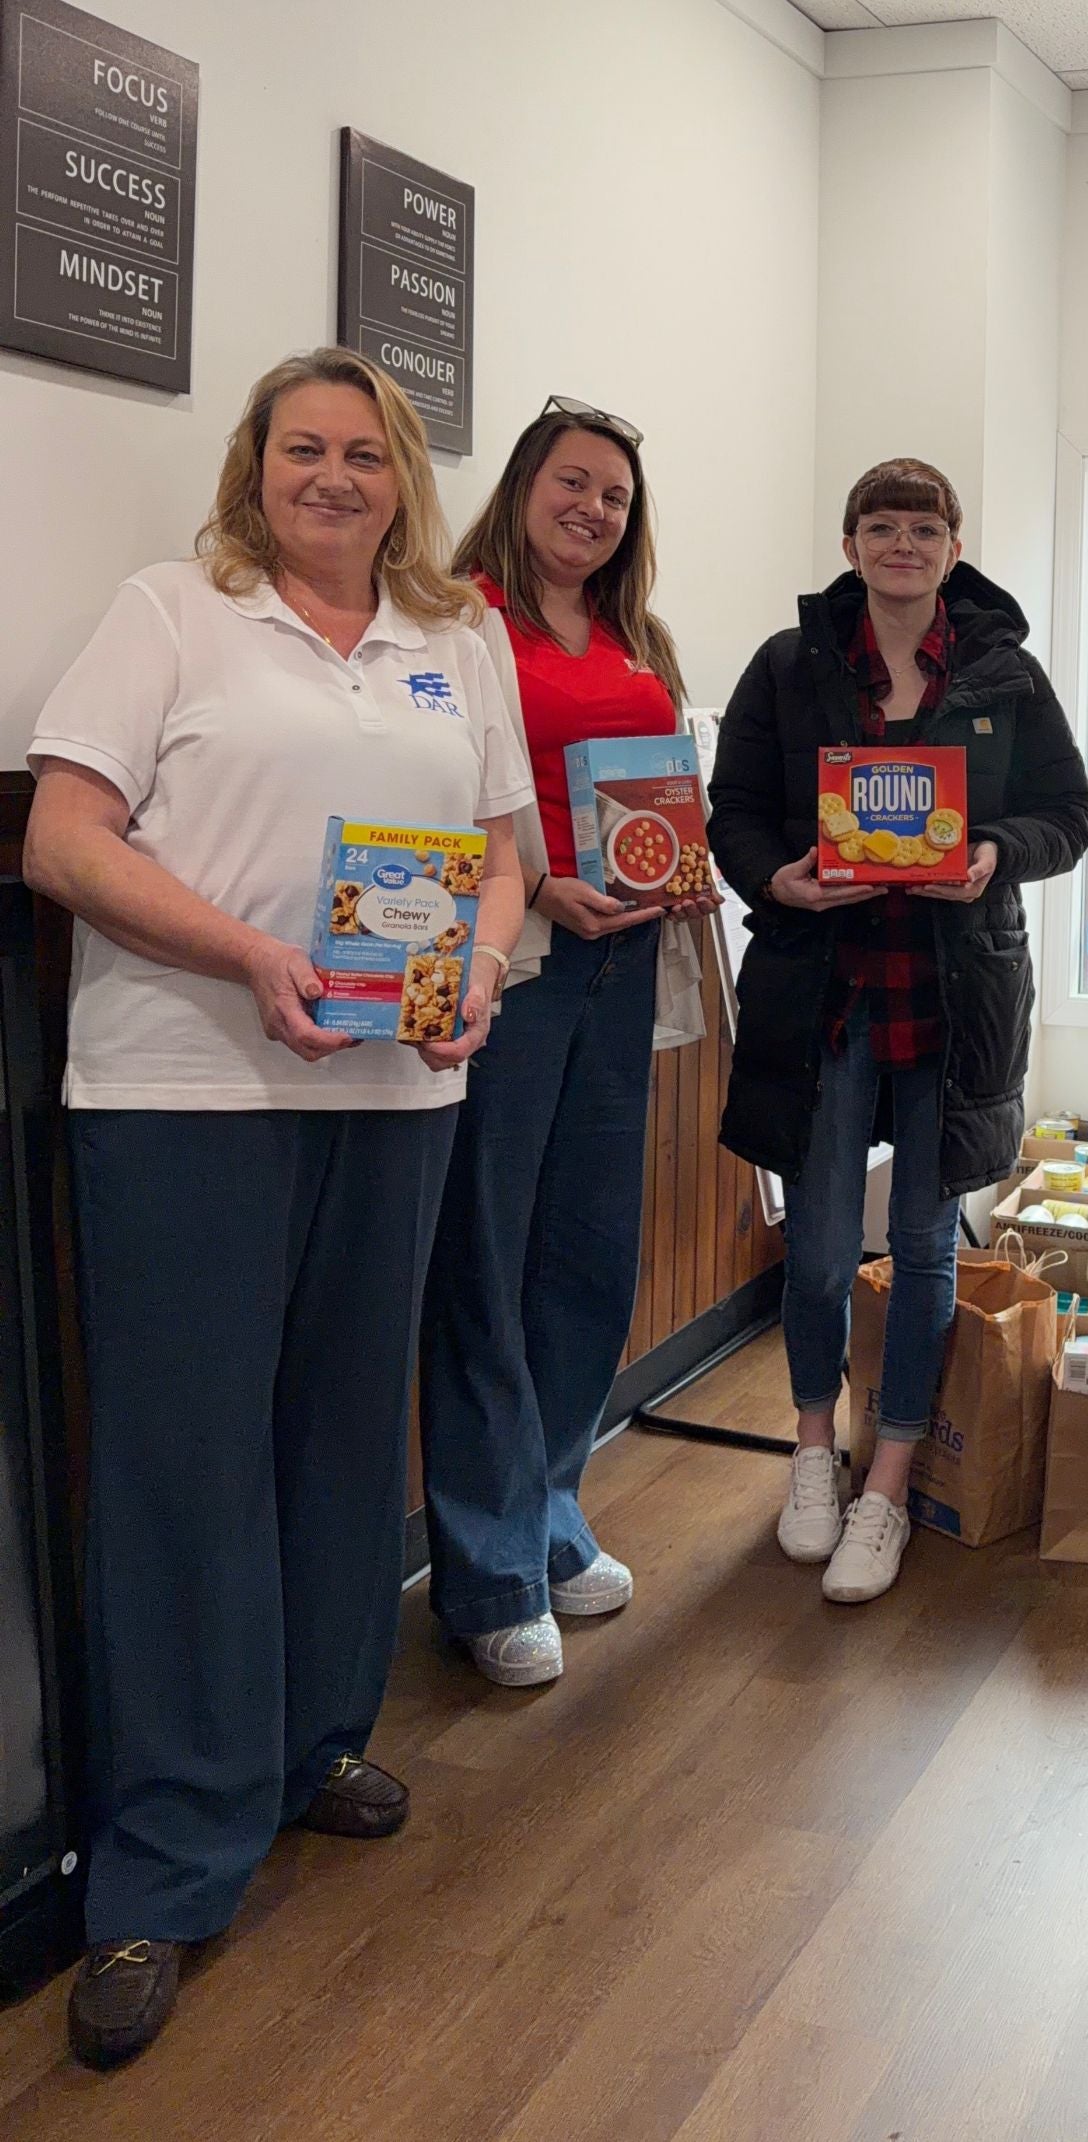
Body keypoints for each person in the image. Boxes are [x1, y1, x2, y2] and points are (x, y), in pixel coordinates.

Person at [24, 347, 531, 2067]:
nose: (334, 475)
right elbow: (64, 839)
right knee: (183, 1464)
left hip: (399, 1092)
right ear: (257, 467)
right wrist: (245, 952)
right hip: (189, 1094)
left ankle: (313, 1741)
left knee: (333, 1438)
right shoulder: (173, 611)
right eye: (302, 448)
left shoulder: (455, 639)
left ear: (402, 477)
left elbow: (509, 848)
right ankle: (164, 1864)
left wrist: (481, 965)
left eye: (363, 451)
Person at [708, 459, 1088, 1605]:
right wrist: (775, 879)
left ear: (952, 544)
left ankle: (889, 1476)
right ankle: (813, 1449)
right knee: (822, 1247)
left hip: (953, 995)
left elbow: (1065, 814)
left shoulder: (1003, 673)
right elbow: (731, 810)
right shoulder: (788, 668)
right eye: (881, 527)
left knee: (926, 1246)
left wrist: (989, 856)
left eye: (923, 528)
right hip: (824, 991)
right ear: (849, 544)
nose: (903, 546)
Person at [418, 397, 717, 1688]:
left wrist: (688, 867)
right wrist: (541, 887)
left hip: (625, 961)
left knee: (589, 1253)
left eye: (614, 496)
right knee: (486, 1255)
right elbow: (450, 792)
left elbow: (660, 789)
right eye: (573, 484)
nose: (593, 509)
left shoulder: (634, 635)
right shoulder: (456, 616)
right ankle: (485, 1568)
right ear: (524, 486)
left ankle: (545, 1516)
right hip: (522, 961)